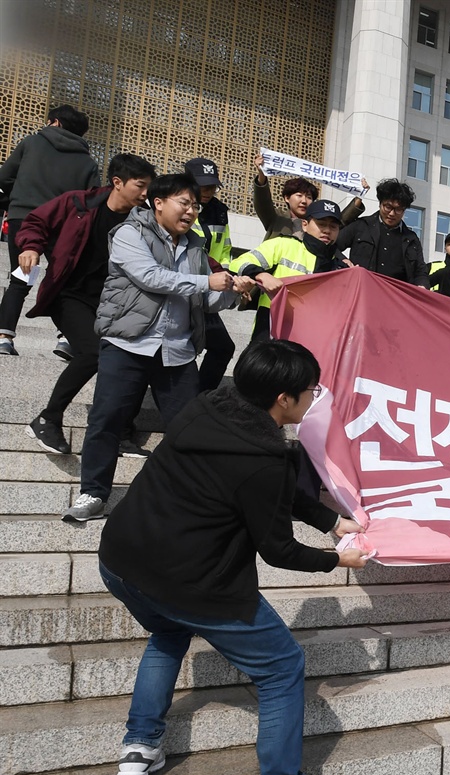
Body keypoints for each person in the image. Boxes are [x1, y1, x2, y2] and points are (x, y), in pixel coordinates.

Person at [97, 339, 368, 775]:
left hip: (122, 560)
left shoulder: (208, 407)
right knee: (283, 666)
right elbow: (279, 550)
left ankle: (140, 745)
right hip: (192, 580)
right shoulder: (262, 457)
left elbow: (271, 488)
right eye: (311, 390)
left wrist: (332, 521)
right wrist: (337, 559)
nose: (315, 398)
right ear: (283, 399)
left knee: (168, 635)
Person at [63, 173, 252, 522]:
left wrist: (231, 292)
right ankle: (93, 492)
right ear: (159, 202)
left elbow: (207, 300)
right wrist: (205, 280)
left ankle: (191, 496)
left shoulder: (196, 246)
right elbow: (150, 277)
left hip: (176, 352)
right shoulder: (128, 234)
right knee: (106, 420)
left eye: (196, 205)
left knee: (190, 428)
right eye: (185, 202)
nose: (192, 211)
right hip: (127, 344)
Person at [17, 153, 156, 455]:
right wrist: (30, 246)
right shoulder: (79, 203)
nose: (146, 193)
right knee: (93, 352)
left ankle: (120, 432)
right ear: (117, 182)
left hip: (113, 305)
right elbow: (36, 221)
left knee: (130, 361)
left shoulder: (144, 219)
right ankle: (48, 419)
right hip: (69, 295)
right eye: (140, 185)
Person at [0, 105, 101, 356]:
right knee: (64, 281)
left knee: (20, 279)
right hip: (62, 226)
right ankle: (67, 339)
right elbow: (91, 201)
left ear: (54, 122)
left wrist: (20, 197)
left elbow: (4, 178)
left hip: (23, 219)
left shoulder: (31, 143)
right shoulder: (87, 161)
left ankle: (4, 338)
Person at [230, 199, 347, 340]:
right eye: (321, 224)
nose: (327, 230)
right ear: (305, 224)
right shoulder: (283, 245)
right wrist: (261, 275)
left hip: (314, 339)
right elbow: (239, 262)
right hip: (270, 333)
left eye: (333, 227)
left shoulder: (342, 267)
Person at [184, 157, 237, 392]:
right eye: (202, 185)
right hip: (182, 287)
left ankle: (200, 396)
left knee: (223, 347)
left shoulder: (219, 212)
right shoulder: (179, 207)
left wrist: (227, 278)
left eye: (212, 186)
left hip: (210, 289)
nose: (208, 191)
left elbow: (224, 250)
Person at [334, 179, 429, 287]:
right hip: (361, 289)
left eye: (398, 209)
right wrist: (343, 260)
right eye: (388, 207)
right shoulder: (362, 226)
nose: (392, 213)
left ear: (404, 210)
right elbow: (332, 245)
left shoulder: (411, 239)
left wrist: (422, 286)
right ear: (380, 204)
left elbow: (420, 271)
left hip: (395, 297)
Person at [251, 153, 363, 240]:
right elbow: (262, 202)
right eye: (299, 195)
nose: (304, 201)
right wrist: (261, 174)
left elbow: (341, 220)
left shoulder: (315, 222)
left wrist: (359, 194)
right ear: (286, 198)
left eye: (309, 197)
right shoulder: (277, 217)